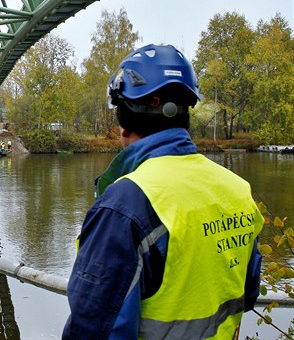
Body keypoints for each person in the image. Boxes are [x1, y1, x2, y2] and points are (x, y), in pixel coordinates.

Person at [63, 44, 263, 340]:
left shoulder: (124, 206)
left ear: (123, 122)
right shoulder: (237, 190)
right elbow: (249, 292)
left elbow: (94, 330)